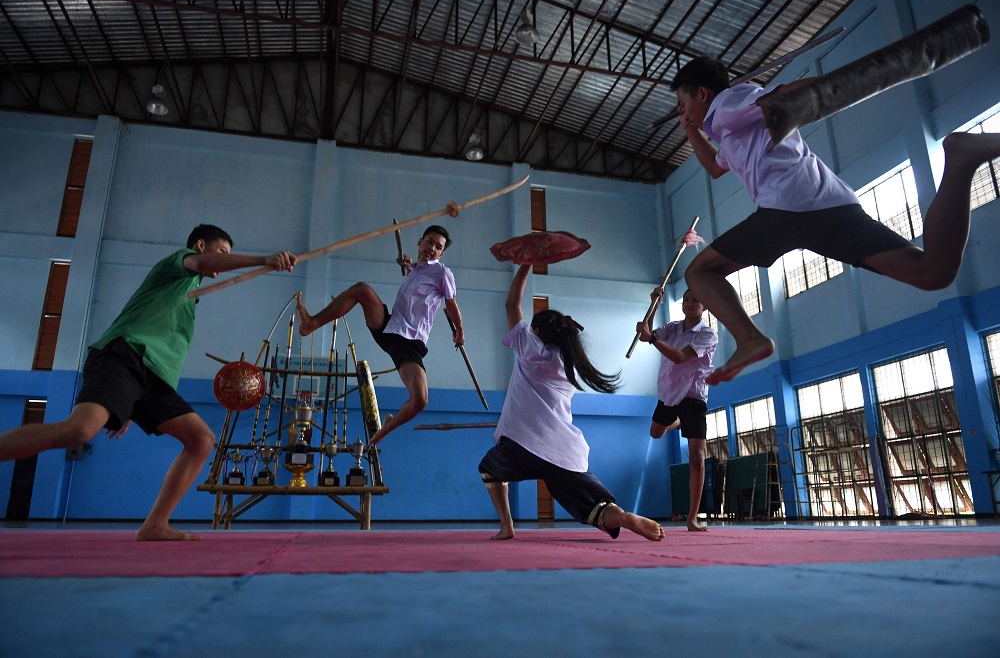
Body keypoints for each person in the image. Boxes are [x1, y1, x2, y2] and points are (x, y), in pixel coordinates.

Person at [672, 56, 1000, 385]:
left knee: (699, 271)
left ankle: (750, 339)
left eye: (683, 104)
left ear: (702, 94)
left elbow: (786, 97)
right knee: (933, 272)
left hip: (788, 206)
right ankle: (960, 159)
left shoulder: (730, 104)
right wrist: (689, 126)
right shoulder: (731, 131)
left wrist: (828, 85)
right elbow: (716, 167)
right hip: (826, 206)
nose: (682, 113)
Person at [0, 224, 297, 541]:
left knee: (200, 439)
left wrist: (127, 403)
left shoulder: (188, 295)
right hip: (124, 356)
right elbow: (205, 264)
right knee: (80, 430)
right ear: (200, 245)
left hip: (153, 379)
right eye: (222, 252)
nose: (224, 260)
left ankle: (155, 524)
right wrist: (264, 259)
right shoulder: (178, 264)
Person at [479, 264, 664, 542]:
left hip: (523, 445)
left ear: (537, 330)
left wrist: (526, 264)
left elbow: (511, 304)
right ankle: (624, 517)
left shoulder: (532, 350)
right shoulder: (570, 365)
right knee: (596, 509)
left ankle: (507, 526)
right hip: (566, 452)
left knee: (489, 468)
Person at [296, 214, 464, 445]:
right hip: (389, 327)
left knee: (420, 401)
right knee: (362, 290)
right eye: (429, 242)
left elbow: (451, 304)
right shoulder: (415, 270)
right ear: (420, 242)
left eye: (438, 246)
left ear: (441, 253)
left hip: (408, 341)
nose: (432, 248)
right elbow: (415, 273)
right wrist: (408, 265)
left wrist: (460, 330)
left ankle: (386, 428)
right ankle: (311, 323)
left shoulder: (443, 274)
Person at [636, 287, 718, 531]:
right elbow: (645, 334)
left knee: (696, 458)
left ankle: (692, 518)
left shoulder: (707, 334)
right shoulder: (672, 328)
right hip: (669, 393)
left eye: (696, 300)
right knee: (655, 433)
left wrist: (652, 339)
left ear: (705, 307)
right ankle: (679, 422)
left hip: (693, 395)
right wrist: (654, 305)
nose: (690, 303)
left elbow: (682, 358)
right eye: (687, 300)